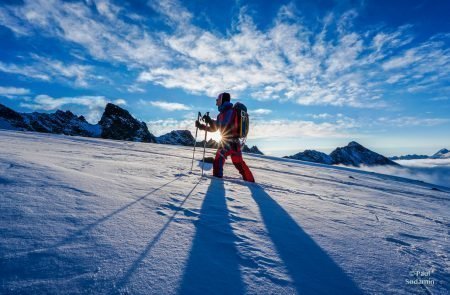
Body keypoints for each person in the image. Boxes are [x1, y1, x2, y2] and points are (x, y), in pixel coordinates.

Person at [196, 92, 255, 182]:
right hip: (235, 143)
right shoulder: (223, 114)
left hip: (227, 143)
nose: (216, 103)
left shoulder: (229, 112)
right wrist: (201, 126)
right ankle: (251, 182)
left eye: (218, 100)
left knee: (218, 161)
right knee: (239, 163)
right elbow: (214, 129)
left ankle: (217, 184)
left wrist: (210, 121)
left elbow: (224, 126)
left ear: (222, 100)